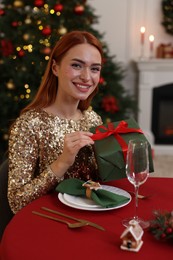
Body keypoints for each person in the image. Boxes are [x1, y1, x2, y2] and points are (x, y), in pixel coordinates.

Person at [7, 30, 104, 214]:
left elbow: (100, 183)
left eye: (94, 68)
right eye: (77, 65)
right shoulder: (29, 125)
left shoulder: (93, 119)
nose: (86, 77)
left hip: (89, 217)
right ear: (55, 68)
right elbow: (16, 203)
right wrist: (62, 162)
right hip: (48, 222)